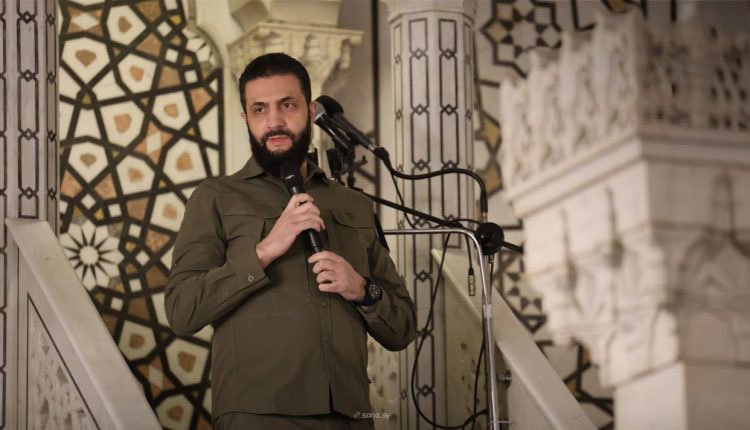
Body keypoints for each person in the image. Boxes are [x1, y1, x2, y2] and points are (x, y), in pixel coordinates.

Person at [165, 52, 417, 430]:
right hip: (258, 415)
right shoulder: (216, 197)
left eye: (287, 105)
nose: (274, 122)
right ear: (246, 119)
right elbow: (182, 311)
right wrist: (265, 250)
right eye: (260, 109)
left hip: (352, 416)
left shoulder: (354, 204)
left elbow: (403, 328)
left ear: (310, 110)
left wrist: (363, 290)